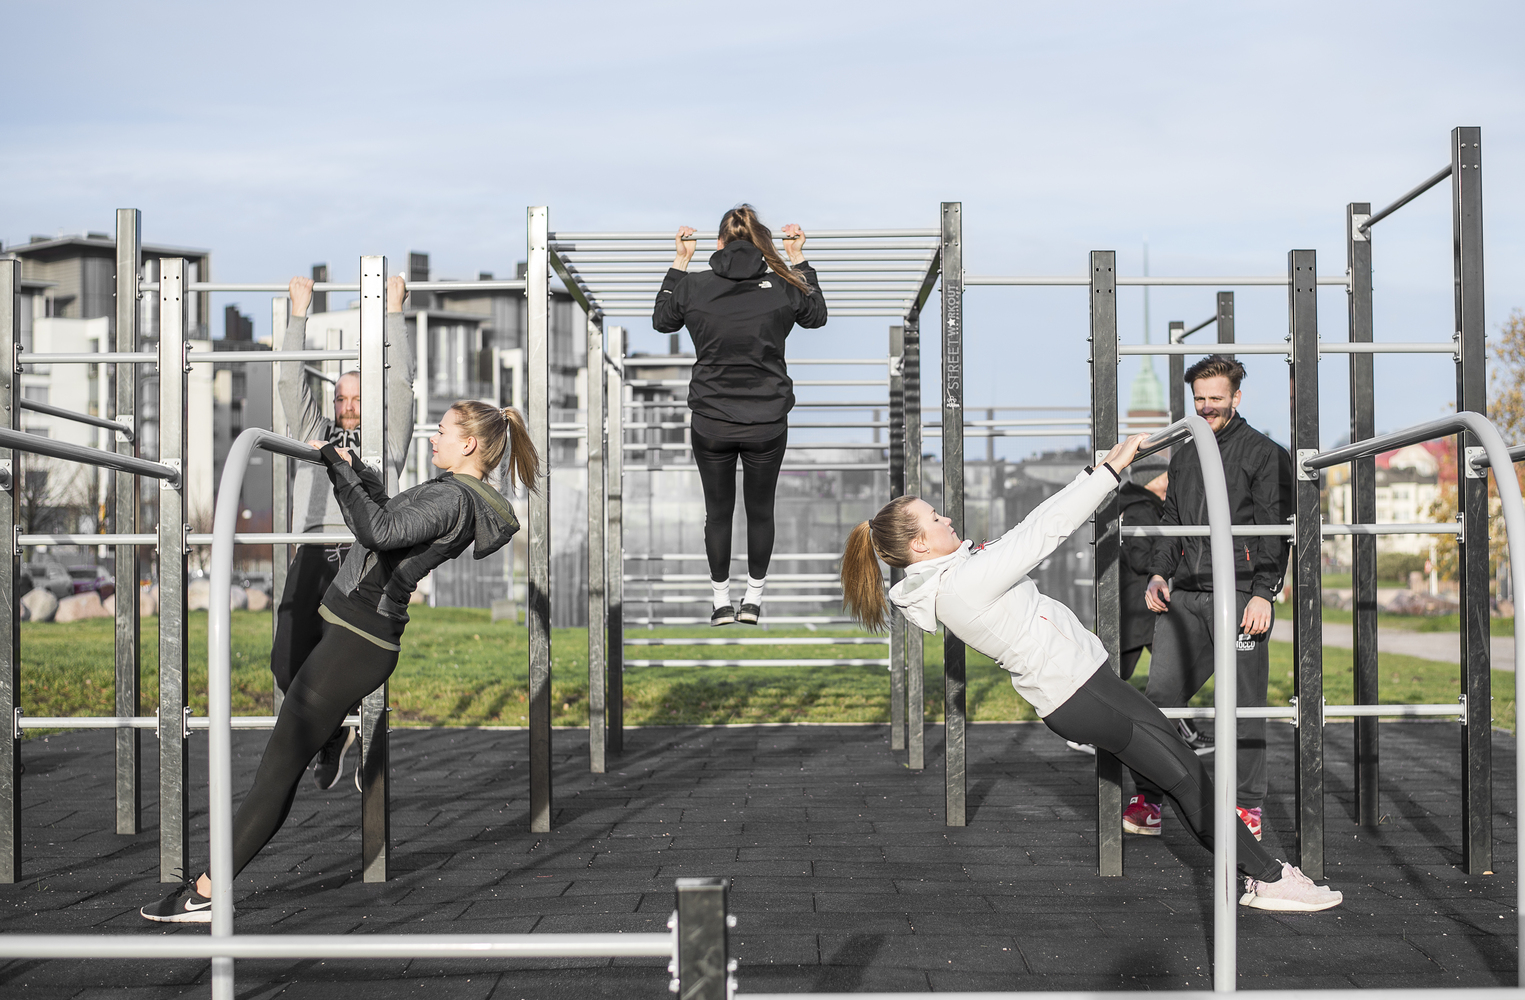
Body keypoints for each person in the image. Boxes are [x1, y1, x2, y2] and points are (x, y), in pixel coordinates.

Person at [838, 434, 1339, 912]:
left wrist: (1096, 473)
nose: (946, 517)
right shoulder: (960, 585)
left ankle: (1260, 873)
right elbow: (1041, 531)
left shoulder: (954, 576)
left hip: (1083, 688)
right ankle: (1268, 879)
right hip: (1080, 695)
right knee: (1186, 774)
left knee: (1181, 771)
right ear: (920, 546)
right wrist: (1109, 472)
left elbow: (1026, 530)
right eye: (934, 517)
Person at [141, 400, 538, 923]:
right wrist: (358, 474)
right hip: (358, 638)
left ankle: (207, 894)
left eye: (441, 431)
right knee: (279, 767)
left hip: (358, 643)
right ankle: (211, 887)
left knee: (276, 770)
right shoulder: (453, 495)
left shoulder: (455, 499)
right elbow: (392, 521)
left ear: (468, 444)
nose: (432, 438)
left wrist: (332, 465)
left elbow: (379, 533)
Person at [1129, 355, 1293, 843]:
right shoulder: (1183, 455)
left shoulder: (1264, 454)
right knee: (1160, 700)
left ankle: (1246, 807)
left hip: (1241, 594)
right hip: (1188, 595)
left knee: (1242, 704)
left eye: (1214, 399)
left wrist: (1264, 593)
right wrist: (1160, 572)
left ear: (1236, 397)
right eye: (1198, 399)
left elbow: (1274, 529)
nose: (1205, 408)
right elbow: (1174, 520)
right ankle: (1151, 798)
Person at [272, 274, 415, 790]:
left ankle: (346, 732)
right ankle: (334, 737)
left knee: (346, 661)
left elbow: (398, 382)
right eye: (341, 398)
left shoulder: (385, 437)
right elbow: (290, 383)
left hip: (362, 553)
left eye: (356, 397)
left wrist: (393, 312)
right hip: (311, 548)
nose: (347, 405)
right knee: (287, 664)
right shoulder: (317, 436)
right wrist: (298, 313)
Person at [653, 205, 828, 626]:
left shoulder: (694, 286)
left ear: (717, 244)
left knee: (718, 512)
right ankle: (752, 600)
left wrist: (679, 263)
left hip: (711, 420)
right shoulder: (784, 284)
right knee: (761, 510)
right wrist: (797, 258)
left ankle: (719, 602)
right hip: (766, 421)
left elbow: (662, 321)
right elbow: (817, 316)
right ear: (761, 243)